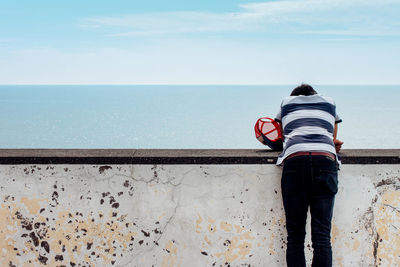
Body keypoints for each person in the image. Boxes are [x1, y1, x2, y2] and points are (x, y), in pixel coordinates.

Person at [274, 84, 343, 267]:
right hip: (325, 160)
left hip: (295, 161)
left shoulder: (286, 103)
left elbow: (283, 135)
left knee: (295, 235)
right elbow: (333, 136)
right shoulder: (330, 103)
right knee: (322, 235)